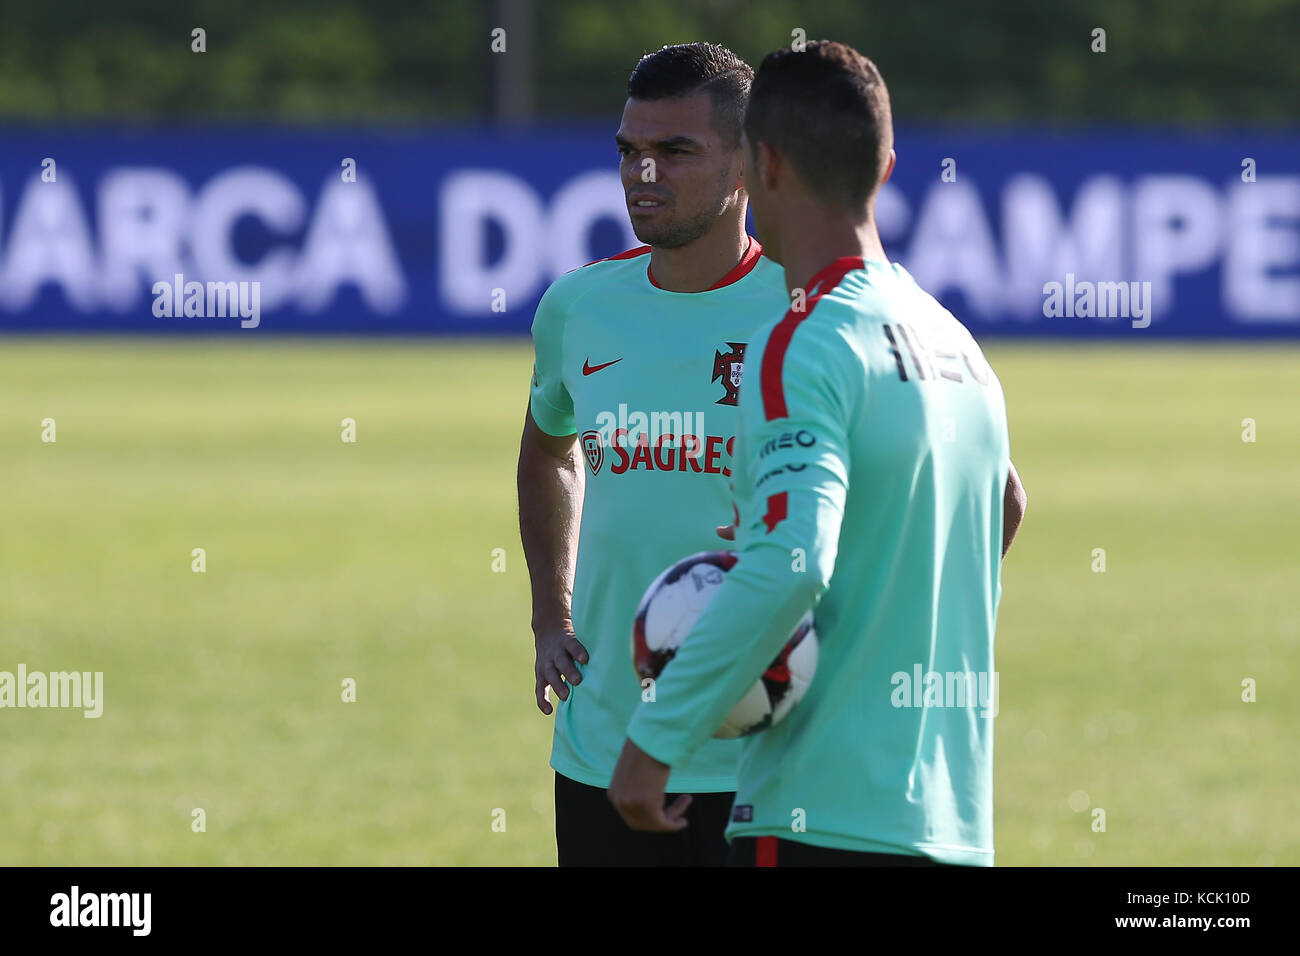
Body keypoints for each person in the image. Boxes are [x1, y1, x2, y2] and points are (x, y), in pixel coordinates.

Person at [609, 40, 1028, 866]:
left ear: (761, 164)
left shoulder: (805, 340)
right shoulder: (953, 340)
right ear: (884, 165)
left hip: (820, 813)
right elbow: (1006, 507)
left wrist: (655, 739)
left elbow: (794, 557)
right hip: (951, 816)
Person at [517, 42, 789, 866]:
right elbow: (547, 452)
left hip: (766, 757)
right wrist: (549, 615)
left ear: (745, 164)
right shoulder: (579, 306)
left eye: (676, 152)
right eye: (630, 152)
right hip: (604, 740)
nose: (644, 173)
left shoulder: (808, 308)